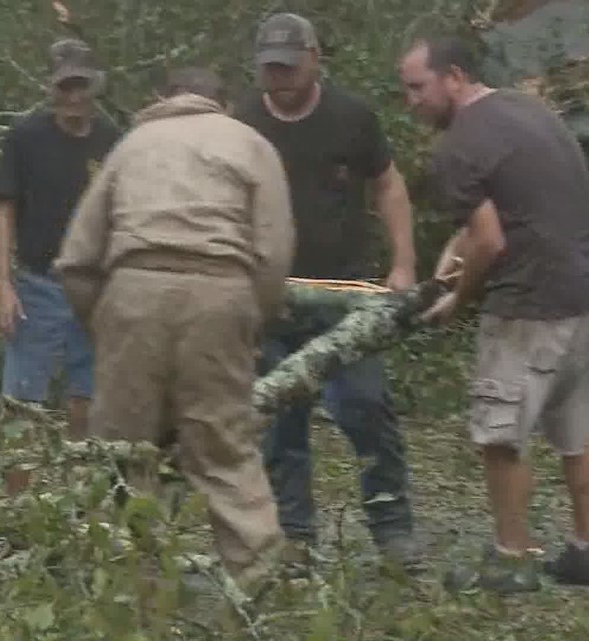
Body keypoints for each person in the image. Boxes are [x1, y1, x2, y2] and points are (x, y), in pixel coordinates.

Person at [52, 67, 296, 589]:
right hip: (221, 292)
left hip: (133, 291)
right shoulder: (252, 144)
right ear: (224, 104)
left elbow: (75, 261)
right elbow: (274, 254)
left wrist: (106, 326)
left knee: (122, 456)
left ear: (161, 98)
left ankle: (129, 590)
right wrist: (249, 321)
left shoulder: (129, 147)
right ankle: (257, 584)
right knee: (225, 451)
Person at [399, 35, 589, 592]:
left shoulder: (458, 146)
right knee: (580, 423)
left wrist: (458, 300)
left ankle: (511, 560)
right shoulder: (527, 110)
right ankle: (588, 550)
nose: (411, 102)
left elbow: (490, 241)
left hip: (531, 303)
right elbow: (489, 221)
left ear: (454, 76)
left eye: (418, 87)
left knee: (500, 433)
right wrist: (445, 270)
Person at [231, 12, 421, 571]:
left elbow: (388, 184)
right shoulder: (241, 123)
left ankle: (392, 528)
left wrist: (404, 264)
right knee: (278, 418)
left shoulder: (351, 117)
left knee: (366, 406)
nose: (281, 78)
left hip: (345, 295)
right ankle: (294, 535)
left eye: (289, 67)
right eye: (271, 68)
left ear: (314, 59)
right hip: (270, 297)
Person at [0, 38, 121, 445]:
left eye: (81, 85)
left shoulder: (113, 140)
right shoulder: (26, 139)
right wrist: (2, 285)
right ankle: (18, 486)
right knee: (21, 405)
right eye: (65, 86)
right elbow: (5, 211)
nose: (74, 96)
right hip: (37, 284)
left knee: (88, 400)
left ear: (95, 85)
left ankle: (80, 482)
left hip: (96, 288)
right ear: (51, 87)